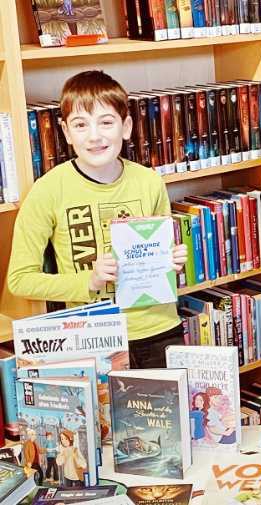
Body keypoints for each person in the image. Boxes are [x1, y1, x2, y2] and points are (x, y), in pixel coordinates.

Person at [7, 70, 188, 368]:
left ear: (125, 127)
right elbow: (19, 280)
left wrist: (170, 261)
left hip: (160, 331)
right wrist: (88, 281)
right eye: (81, 125)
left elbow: (159, 264)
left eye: (106, 122)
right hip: (94, 338)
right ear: (66, 132)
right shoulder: (47, 190)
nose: (94, 136)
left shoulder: (150, 182)